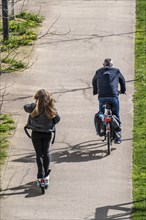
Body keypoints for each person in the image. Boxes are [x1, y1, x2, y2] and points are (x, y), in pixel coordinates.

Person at [24, 89, 60, 186]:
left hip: (36, 133)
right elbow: (57, 119)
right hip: (47, 134)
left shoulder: (33, 108)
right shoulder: (50, 108)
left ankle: (40, 174)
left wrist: (34, 103)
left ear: (37, 97)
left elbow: (25, 107)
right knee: (46, 153)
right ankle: (46, 175)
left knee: (38, 154)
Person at [92, 58, 126, 144]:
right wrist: (122, 91)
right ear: (111, 65)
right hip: (113, 96)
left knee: (101, 111)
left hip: (102, 97)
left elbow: (94, 81)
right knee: (116, 115)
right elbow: (122, 81)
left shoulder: (99, 71)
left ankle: (102, 120)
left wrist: (95, 91)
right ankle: (118, 138)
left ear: (103, 65)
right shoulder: (116, 71)